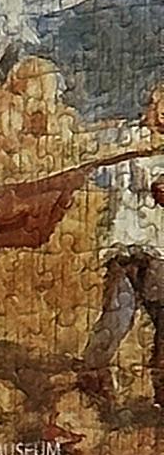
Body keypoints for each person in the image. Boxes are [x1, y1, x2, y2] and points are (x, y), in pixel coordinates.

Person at [81, 89, 164, 405]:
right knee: (119, 317)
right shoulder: (129, 139)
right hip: (136, 248)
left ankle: (154, 389)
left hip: (145, 249)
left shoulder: (127, 141)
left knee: (125, 318)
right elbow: (104, 176)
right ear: (151, 106)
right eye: (160, 104)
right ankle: (92, 380)